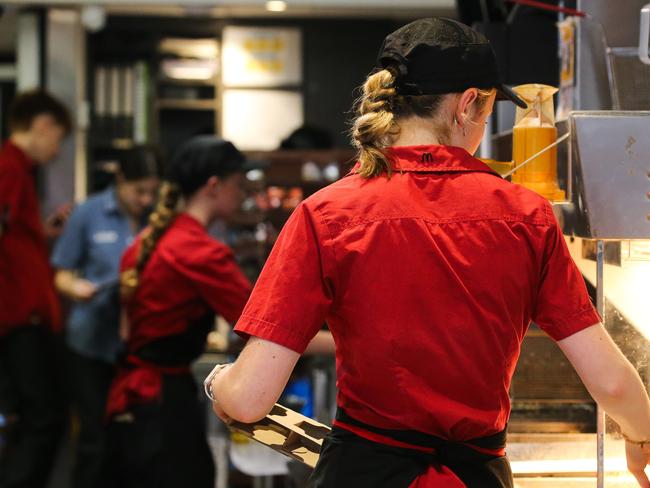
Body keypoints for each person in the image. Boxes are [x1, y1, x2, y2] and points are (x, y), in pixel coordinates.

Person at [206, 18, 650, 488]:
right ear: (466, 106)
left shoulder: (325, 214)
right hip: (474, 476)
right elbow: (613, 384)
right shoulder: (528, 216)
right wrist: (640, 435)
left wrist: (219, 384)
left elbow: (249, 399)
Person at [51, 146, 163, 488]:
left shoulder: (158, 219)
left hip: (135, 347)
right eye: (138, 191)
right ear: (119, 180)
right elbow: (61, 273)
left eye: (152, 192)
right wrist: (78, 288)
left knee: (131, 440)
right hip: (89, 344)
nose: (145, 199)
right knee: (93, 439)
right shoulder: (88, 213)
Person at [0, 90, 72, 488]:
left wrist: (40, 231)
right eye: (58, 137)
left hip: (22, 315)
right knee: (43, 418)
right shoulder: (10, 167)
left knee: (37, 418)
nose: (56, 149)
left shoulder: (16, 170)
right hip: (19, 318)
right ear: (43, 125)